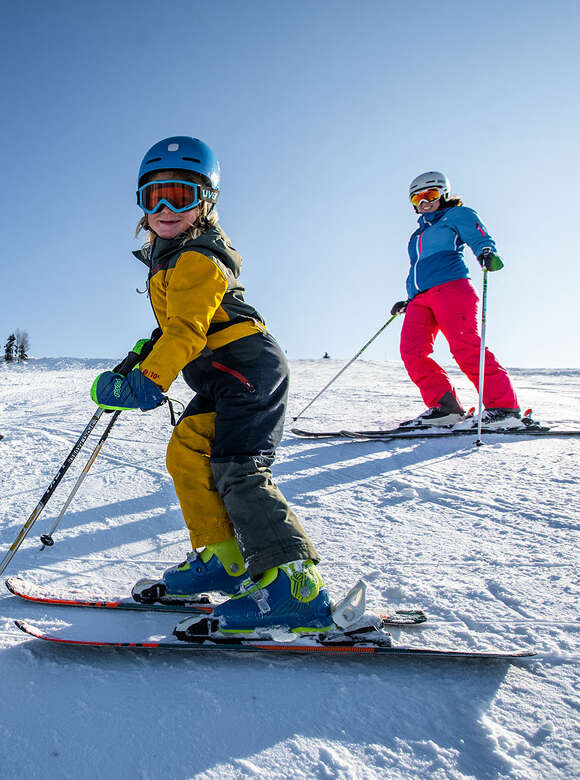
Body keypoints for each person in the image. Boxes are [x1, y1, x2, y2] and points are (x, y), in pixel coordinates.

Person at [90, 137, 380, 644]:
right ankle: (223, 559)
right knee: (187, 452)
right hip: (221, 373)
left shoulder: (199, 257)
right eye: (152, 196)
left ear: (206, 202)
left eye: (180, 197)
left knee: (238, 468)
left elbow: (188, 332)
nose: (164, 209)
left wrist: (146, 381)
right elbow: (179, 324)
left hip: (247, 368)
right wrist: (145, 352)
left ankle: (296, 588)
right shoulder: (170, 256)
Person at [391, 171, 521, 429]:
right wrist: (409, 297)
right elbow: (419, 267)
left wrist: (486, 252)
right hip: (421, 298)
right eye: (418, 199)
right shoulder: (416, 236)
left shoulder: (456, 215)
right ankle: (445, 408)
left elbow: (479, 235)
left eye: (431, 195)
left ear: (444, 194)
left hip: (452, 288)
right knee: (412, 351)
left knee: (465, 346)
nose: (425, 202)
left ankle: (503, 407)